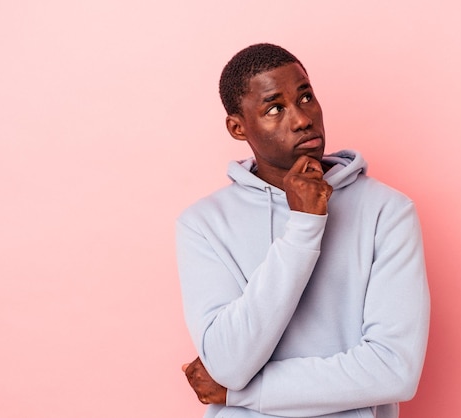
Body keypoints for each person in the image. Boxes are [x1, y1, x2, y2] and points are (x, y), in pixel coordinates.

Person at [176, 43, 430, 418]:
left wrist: (240, 394)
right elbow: (228, 363)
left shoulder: (387, 212)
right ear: (237, 126)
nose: (301, 119)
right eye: (274, 108)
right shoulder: (203, 223)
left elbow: (395, 369)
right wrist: (305, 227)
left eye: (306, 97)